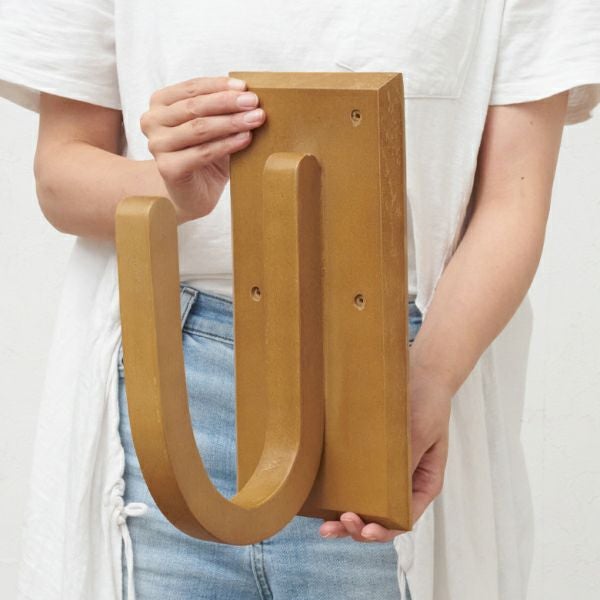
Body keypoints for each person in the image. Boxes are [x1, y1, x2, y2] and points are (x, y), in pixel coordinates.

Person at [0, 1, 599, 599]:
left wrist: (431, 377)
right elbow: (59, 176)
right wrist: (168, 186)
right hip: (169, 377)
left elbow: (513, 197)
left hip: (394, 374)